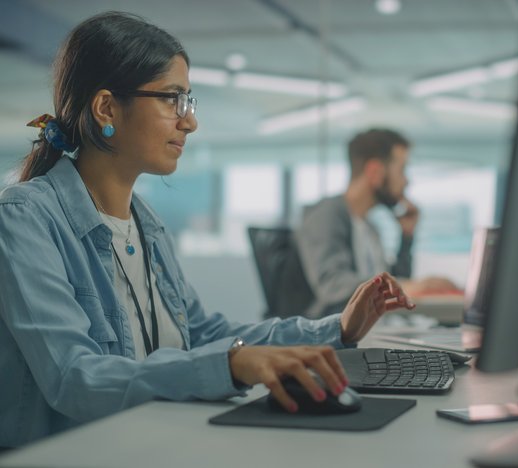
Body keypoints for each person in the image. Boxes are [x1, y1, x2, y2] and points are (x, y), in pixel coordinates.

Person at [0, 12, 413, 449]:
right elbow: (75, 378)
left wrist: (336, 330)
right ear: (106, 107)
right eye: (171, 99)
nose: (189, 122)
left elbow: (200, 333)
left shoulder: (147, 224)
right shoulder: (24, 219)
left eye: (188, 102)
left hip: (147, 444)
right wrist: (231, 365)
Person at [294, 128, 458, 319]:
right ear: (375, 171)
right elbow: (333, 284)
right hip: (332, 335)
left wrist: (406, 238)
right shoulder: (327, 215)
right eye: (402, 169)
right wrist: (405, 286)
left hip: (374, 330)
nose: (406, 181)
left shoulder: (369, 227)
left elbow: (390, 284)